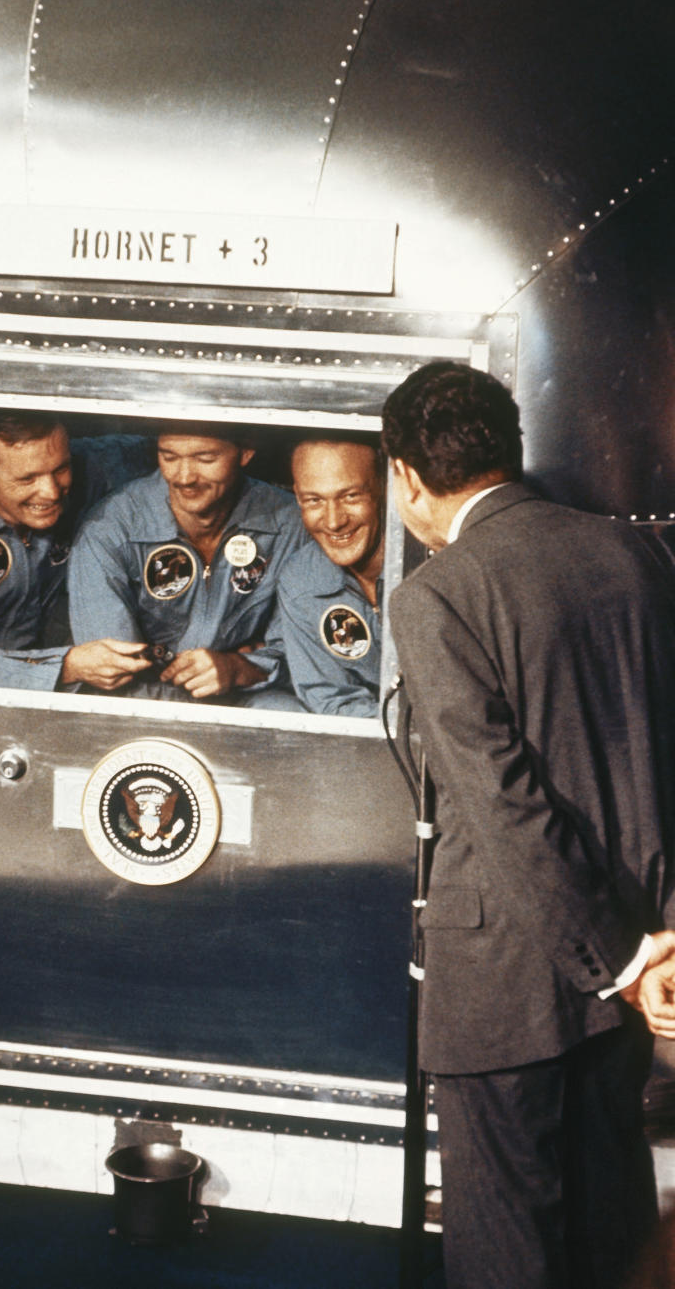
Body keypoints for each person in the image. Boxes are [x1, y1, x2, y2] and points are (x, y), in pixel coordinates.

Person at [380, 360, 675, 1289]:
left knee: (506, 1245)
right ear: (510, 452)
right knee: (608, 1232)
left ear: (405, 477)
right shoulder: (638, 556)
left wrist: (620, 957)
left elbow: (504, 807)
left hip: (508, 989)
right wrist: (650, 950)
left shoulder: (434, 596)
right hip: (631, 976)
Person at [68, 428, 305, 703]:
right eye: (169, 457)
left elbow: (306, 657)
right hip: (145, 701)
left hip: (246, 694)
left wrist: (238, 667)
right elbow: (116, 669)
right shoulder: (109, 529)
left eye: (205, 459)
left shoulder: (289, 524)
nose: (184, 478)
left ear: (246, 452)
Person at [0, 411, 153, 692]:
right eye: (27, 479)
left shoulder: (93, 466)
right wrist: (65, 666)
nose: (52, 492)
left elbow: (164, 451)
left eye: (60, 470)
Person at [277, 436, 385, 715]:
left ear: (384, 488)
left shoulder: (432, 566)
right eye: (314, 501)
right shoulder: (300, 580)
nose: (334, 521)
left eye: (350, 496)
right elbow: (330, 698)